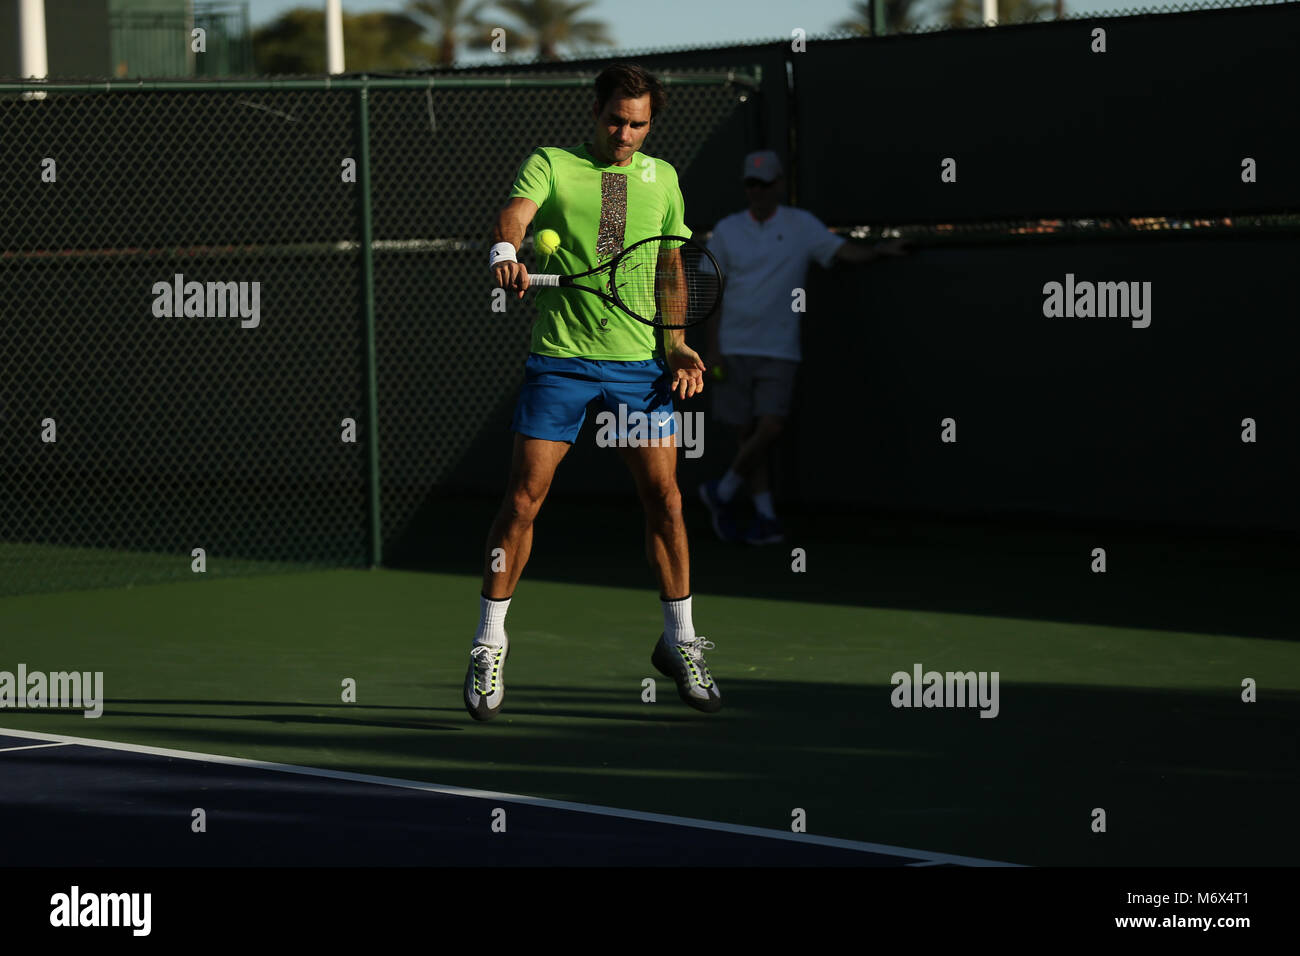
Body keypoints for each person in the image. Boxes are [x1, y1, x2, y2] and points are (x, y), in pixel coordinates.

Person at [467, 63, 720, 722]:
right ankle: (490, 641)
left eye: (638, 124)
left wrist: (678, 344)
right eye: (616, 120)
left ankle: (680, 640)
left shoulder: (662, 179)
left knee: (664, 499)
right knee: (523, 500)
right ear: (597, 111)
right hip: (562, 363)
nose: (626, 135)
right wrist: (505, 254)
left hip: (639, 367)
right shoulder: (551, 163)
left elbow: (669, 268)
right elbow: (517, 215)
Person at [700, 150, 906, 544]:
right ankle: (765, 516)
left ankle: (721, 491)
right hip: (733, 345)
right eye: (751, 184)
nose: (758, 191)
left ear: (779, 185)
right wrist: (713, 349)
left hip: (780, 347)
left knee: (771, 426)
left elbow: (844, 251)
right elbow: (712, 289)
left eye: (765, 184)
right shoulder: (727, 230)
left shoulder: (802, 226)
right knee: (748, 436)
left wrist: (879, 252)